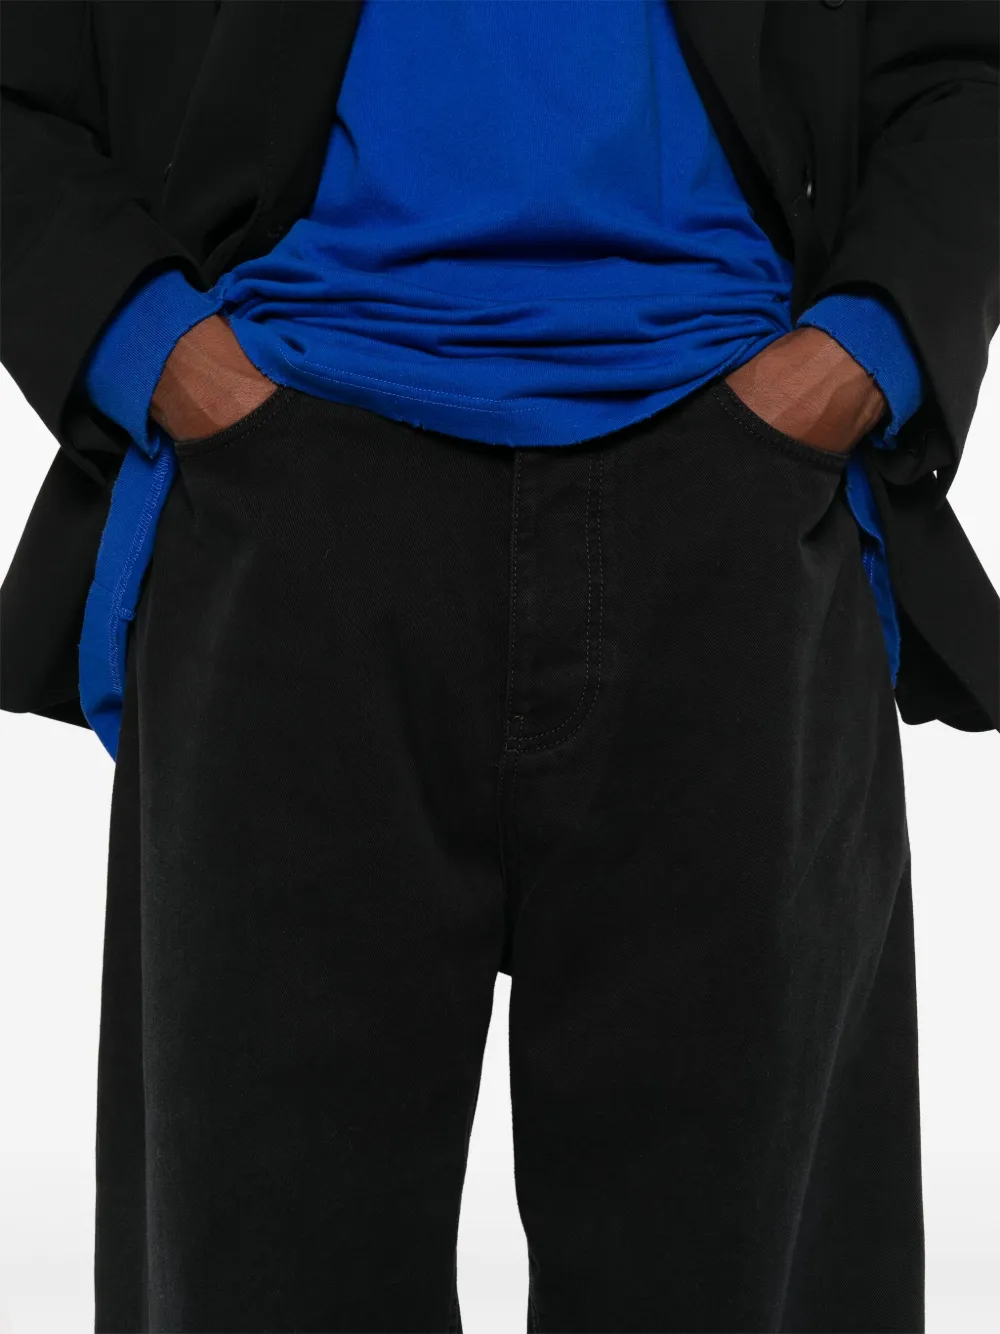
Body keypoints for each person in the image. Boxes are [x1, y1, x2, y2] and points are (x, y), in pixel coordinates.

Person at [1, 2, 997, 1331]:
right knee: (255, 1282)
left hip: (734, 501)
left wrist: (860, 354)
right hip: (289, 496)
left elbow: (965, 72)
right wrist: (157, 354)